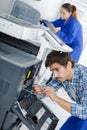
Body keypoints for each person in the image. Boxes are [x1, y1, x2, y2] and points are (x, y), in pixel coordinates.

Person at [32, 50, 87, 130]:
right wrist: (40, 91)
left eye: (57, 69)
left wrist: (56, 98)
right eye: (52, 71)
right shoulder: (64, 75)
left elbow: (84, 112)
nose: (55, 75)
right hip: (82, 108)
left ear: (68, 65)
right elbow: (48, 90)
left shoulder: (85, 78)